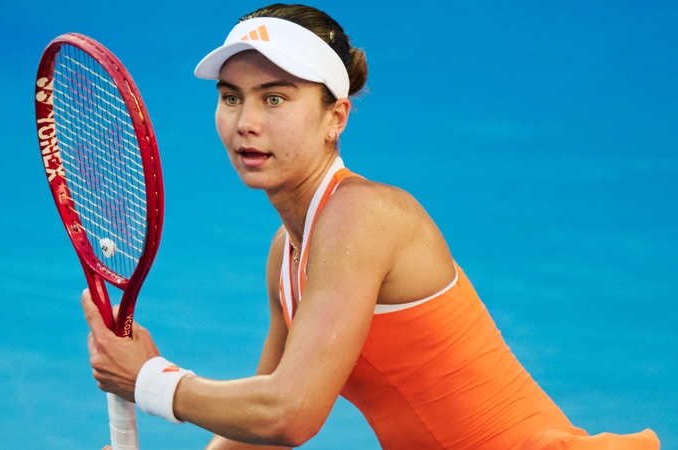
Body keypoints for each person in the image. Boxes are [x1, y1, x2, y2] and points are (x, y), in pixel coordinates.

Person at [82, 4, 660, 449]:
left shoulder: (362, 218)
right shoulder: (288, 250)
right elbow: (255, 434)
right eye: (231, 98)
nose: (246, 123)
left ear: (337, 116)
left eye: (275, 99)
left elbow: (291, 413)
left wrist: (151, 382)